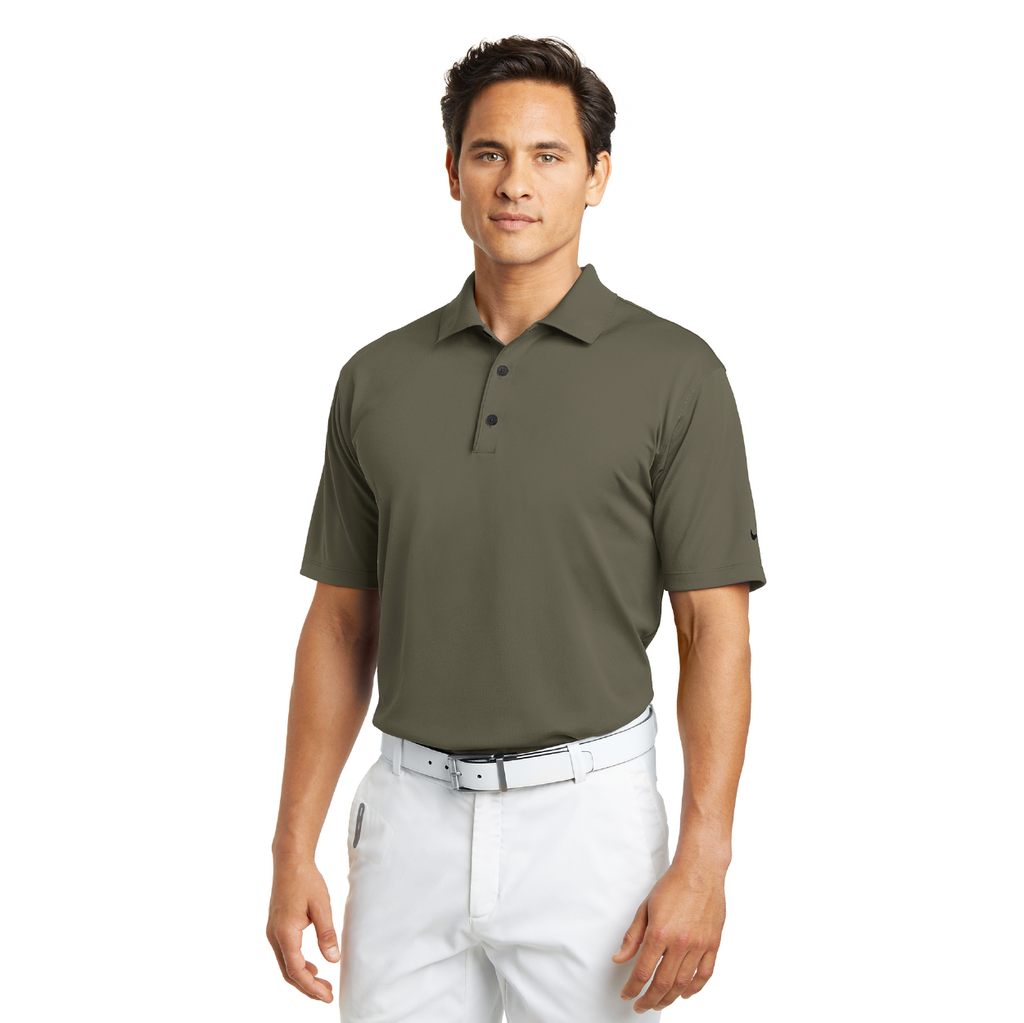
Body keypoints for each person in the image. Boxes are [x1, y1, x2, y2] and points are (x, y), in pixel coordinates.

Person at [266, 35, 766, 1022]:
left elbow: (714, 628)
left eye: (548, 155)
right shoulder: (376, 378)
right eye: (489, 153)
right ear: (452, 171)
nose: (516, 183)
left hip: (589, 823)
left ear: (597, 177)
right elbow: (340, 623)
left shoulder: (676, 375)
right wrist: (292, 848)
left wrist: (705, 856)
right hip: (408, 820)